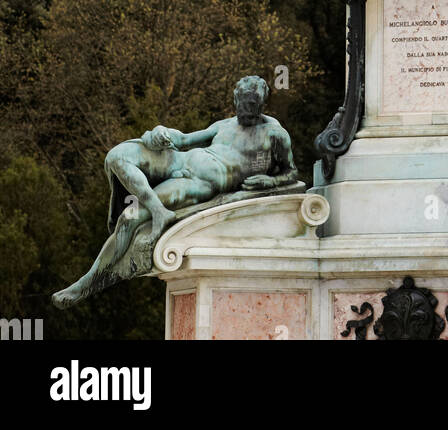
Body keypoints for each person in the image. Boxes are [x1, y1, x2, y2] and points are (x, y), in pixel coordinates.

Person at [52, 76, 298, 307]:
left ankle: (85, 285)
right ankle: (159, 212)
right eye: (240, 104)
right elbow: (184, 141)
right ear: (235, 100)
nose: (244, 110)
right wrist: (159, 132)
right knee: (117, 156)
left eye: (251, 105)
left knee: (129, 218)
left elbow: (290, 173)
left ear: (261, 103)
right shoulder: (225, 125)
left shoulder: (275, 134)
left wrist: (269, 182)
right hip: (181, 161)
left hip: (199, 182)